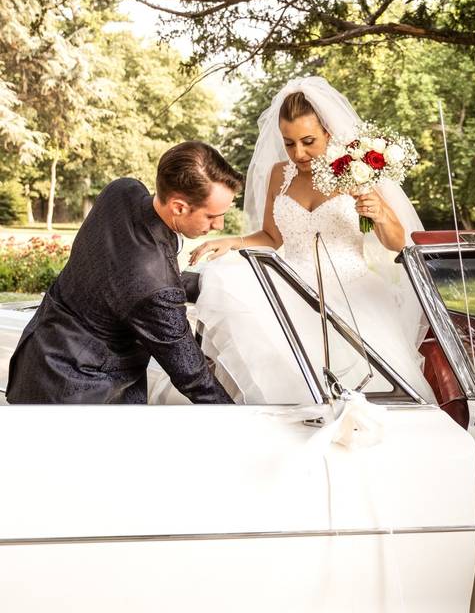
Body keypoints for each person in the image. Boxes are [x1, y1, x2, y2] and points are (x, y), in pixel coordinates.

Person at [189, 76, 434, 403]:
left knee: (365, 393)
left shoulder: (354, 169)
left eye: (308, 140)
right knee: (288, 386)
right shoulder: (280, 175)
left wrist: (379, 213)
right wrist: (233, 242)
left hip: (351, 295)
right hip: (292, 288)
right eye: (289, 143)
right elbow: (271, 237)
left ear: (329, 132)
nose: (298, 153)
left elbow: (395, 242)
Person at [5, 141, 240, 405]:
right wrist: (246, 424)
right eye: (212, 216)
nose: (219, 225)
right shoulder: (153, 284)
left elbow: (121, 278)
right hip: (80, 393)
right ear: (179, 207)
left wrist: (215, 286)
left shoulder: (122, 191)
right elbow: (193, 376)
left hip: (38, 354)